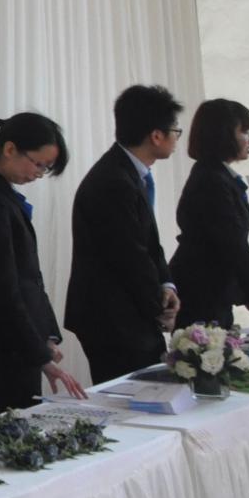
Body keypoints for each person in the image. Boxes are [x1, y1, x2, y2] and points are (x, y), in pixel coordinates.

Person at [0, 112, 86, 412]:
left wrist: (46, 336)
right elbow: (1, 288)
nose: (39, 174)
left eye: (46, 168)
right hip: (5, 341)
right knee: (17, 425)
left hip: (18, 340)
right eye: (38, 164)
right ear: (10, 149)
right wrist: (38, 353)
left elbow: (29, 277)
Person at [64, 84, 182, 385]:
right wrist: (159, 308)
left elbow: (150, 242)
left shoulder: (130, 173)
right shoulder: (113, 181)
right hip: (113, 318)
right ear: (156, 135)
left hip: (128, 312)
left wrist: (166, 285)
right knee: (132, 400)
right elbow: (129, 256)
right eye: (175, 131)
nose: (176, 139)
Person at [170, 98, 249, 330]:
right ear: (223, 134)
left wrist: (248, 296)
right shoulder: (211, 181)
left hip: (212, 291)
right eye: (244, 132)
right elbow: (234, 246)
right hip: (201, 294)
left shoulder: (217, 175)